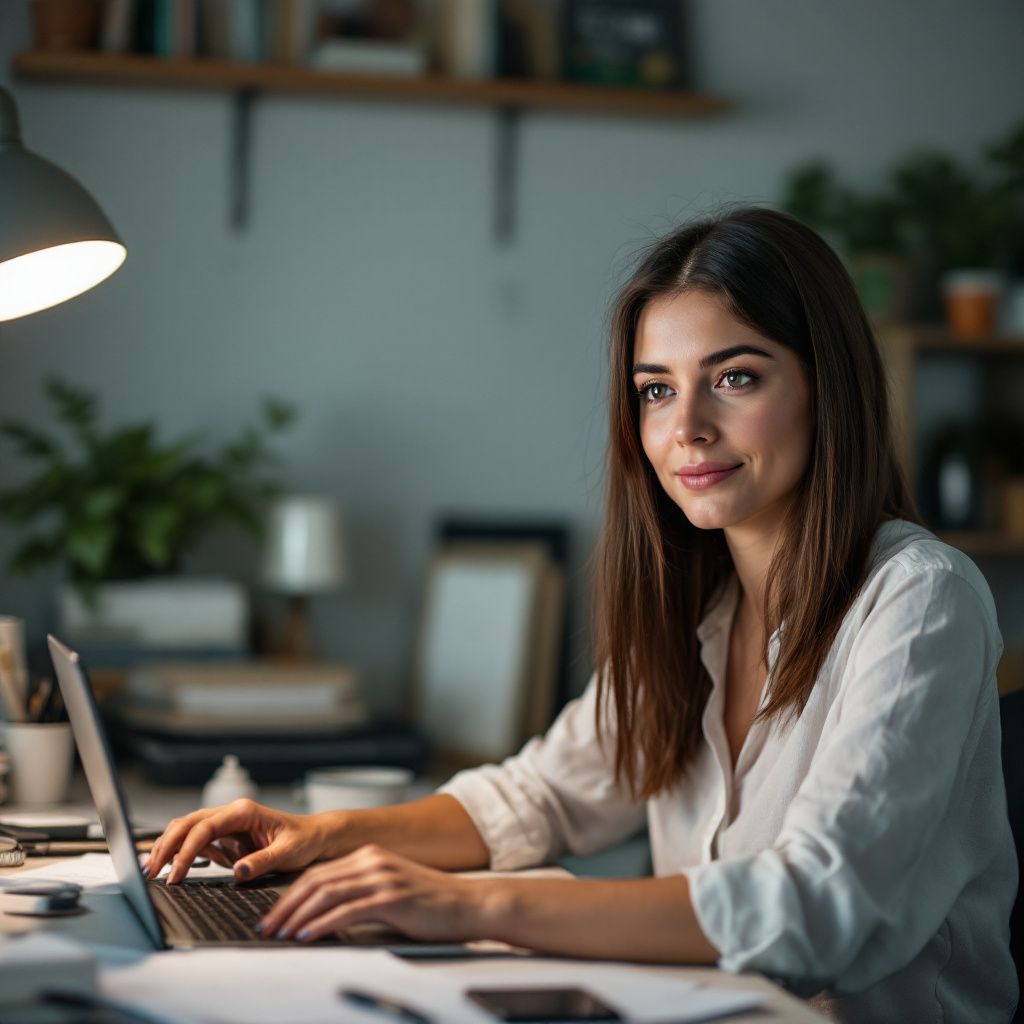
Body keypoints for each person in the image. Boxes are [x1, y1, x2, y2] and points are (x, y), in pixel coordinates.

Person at [143, 207, 1018, 1022]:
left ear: (829, 386)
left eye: (735, 378)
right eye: (656, 391)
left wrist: (469, 902)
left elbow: (813, 908)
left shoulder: (920, 597)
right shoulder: (698, 605)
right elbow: (543, 795)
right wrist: (325, 836)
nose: (689, 430)